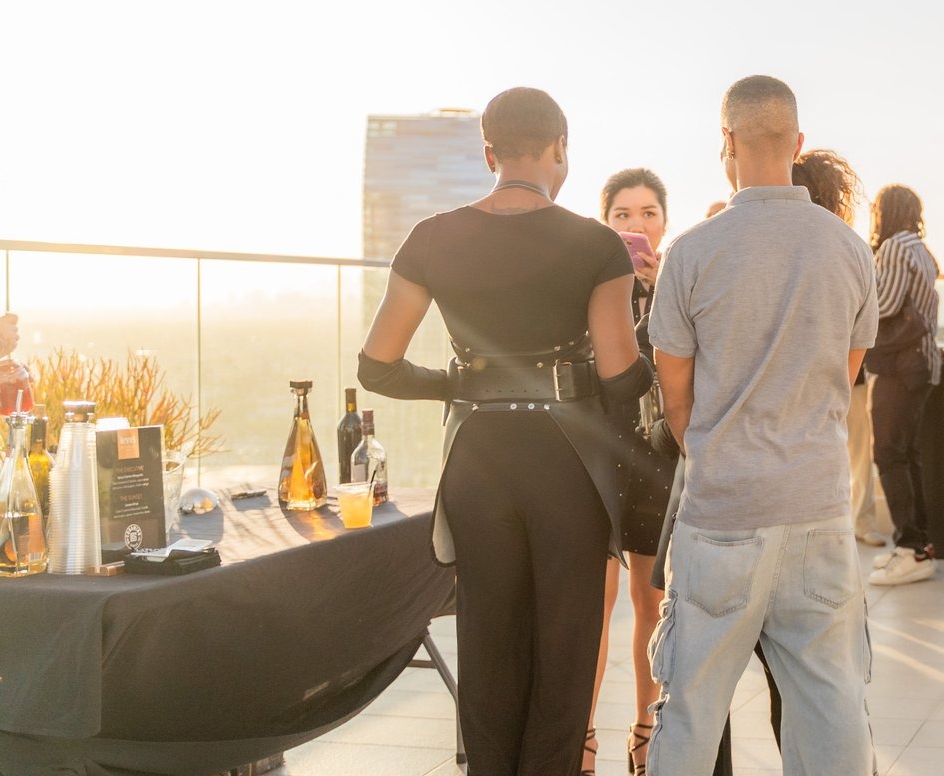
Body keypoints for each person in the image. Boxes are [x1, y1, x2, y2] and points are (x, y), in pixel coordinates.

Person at [358, 87, 660, 774]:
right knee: (565, 652)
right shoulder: (595, 243)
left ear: (489, 153)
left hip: (478, 460)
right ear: (561, 150)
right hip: (567, 464)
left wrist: (461, 382)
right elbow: (620, 378)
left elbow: (378, 366)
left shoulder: (432, 236)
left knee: (488, 644)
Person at [646, 75, 876, 775]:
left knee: (690, 704)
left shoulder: (690, 253)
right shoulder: (849, 250)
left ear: (727, 142)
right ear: (798, 143)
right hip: (817, 506)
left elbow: (675, 395)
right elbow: (843, 374)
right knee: (830, 697)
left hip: (722, 510)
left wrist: (721, 448)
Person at [589, 167, 672, 774]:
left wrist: (655, 289)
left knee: (652, 603)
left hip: (657, 460)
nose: (635, 224)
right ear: (605, 223)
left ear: (664, 223)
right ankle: (582, 731)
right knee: (593, 604)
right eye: (622, 215)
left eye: (647, 213)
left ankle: (648, 728)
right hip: (596, 454)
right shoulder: (587, 283)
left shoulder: (681, 280)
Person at [792, 150, 884, 547]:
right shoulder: (847, 250)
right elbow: (857, 338)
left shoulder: (779, 249)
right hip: (840, 384)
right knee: (858, 456)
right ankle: (853, 525)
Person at [866, 184, 943, 586]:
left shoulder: (894, 247)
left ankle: (911, 547)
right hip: (921, 364)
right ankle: (919, 546)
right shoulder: (921, 248)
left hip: (899, 365)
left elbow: (885, 305)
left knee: (889, 453)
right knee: (908, 454)